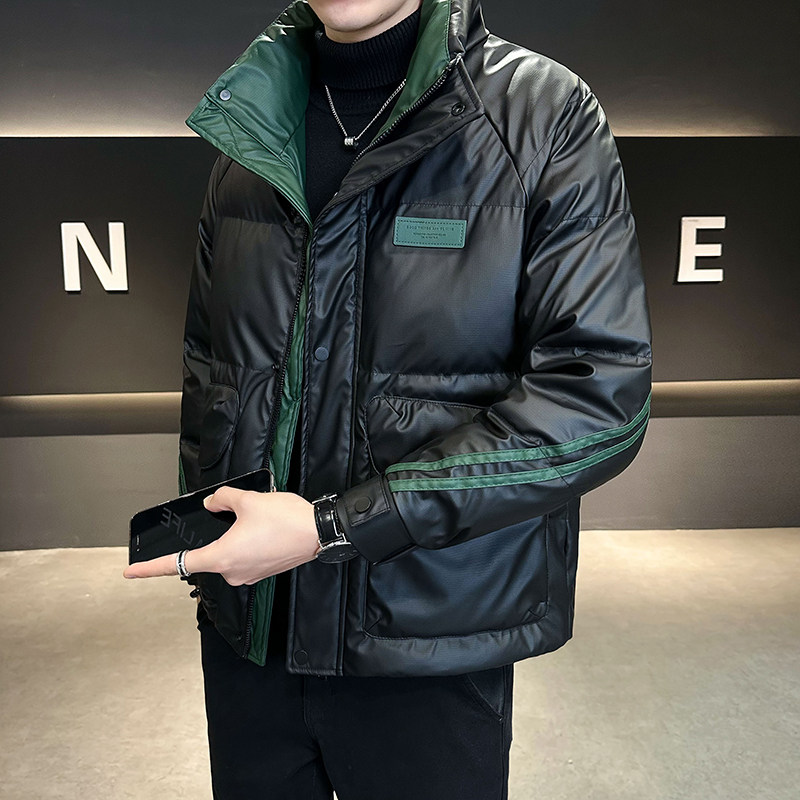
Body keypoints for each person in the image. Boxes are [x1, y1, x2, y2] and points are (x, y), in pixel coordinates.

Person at [124, 0, 652, 797]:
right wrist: (211, 543)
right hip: (253, 638)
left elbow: (598, 398)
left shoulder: (542, 113)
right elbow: (211, 370)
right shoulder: (251, 126)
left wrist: (335, 527)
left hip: (428, 639)